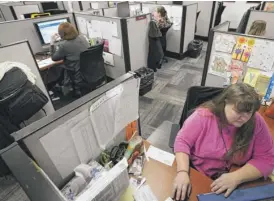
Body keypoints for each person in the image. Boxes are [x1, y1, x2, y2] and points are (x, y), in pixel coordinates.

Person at [172, 83, 274, 200]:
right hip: (200, 173)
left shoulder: (256, 122)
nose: (244, 118)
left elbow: (267, 158)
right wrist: (182, 172)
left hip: (234, 176)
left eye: (249, 113)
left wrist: (236, 177)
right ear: (225, 102)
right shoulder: (203, 117)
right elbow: (182, 141)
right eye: (238, 111)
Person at [50, 22, 90, 97]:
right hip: (88, 72)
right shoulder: (82, 37)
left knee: (59, 67)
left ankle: (64, 88)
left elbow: (54, 58)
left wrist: (52, 43)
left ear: (62, 34)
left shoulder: (64, 45)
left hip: (77, 75)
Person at [147, 7, 165, 72]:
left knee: (158, 53)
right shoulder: (152, 22)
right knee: (156, 53)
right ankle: (153, 66)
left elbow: (158, 30)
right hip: (153, 38)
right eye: (157, 13)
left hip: (155, 38)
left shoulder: (155, 21)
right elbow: (156, 33)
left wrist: (160, 23)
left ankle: (155, 65)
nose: (158, 14)